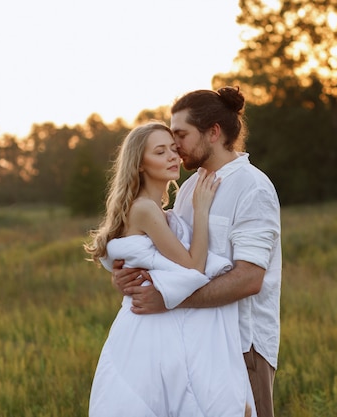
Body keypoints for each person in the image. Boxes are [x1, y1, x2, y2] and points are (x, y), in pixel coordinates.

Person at [113, 87, 282, 417]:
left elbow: (249, 279)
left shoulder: (253, 187)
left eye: (181, 134)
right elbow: (173, 260)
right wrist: (130, 278)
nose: (175, 146)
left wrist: (169, 299)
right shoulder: (189, 186)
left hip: (241, 345)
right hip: (191, 343)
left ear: (213, 133)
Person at [85, 121, 255, 417]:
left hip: (149, 325)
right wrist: (202, 211)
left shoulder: (158, 211)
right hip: (147, 331)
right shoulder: (145, 209)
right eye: (160, 152)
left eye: (174, 150)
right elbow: (193, 267)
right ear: (140, 164)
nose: (173, 157)